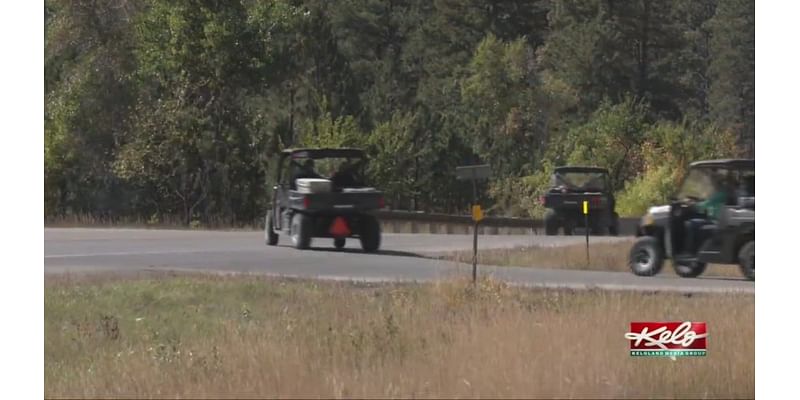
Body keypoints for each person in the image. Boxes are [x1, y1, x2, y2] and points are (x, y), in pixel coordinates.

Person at [683, 173, 727, 255]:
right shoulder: (721, 194)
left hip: (716, 222)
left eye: (712, 182)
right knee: (696, 221)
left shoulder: (719, 195)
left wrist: (691, 204)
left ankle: (690, 251)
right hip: (716, 220)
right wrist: (696, 202)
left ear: (717, 183)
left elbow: (704, 205)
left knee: (690, 224)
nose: (711, 184)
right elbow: (707, 203)